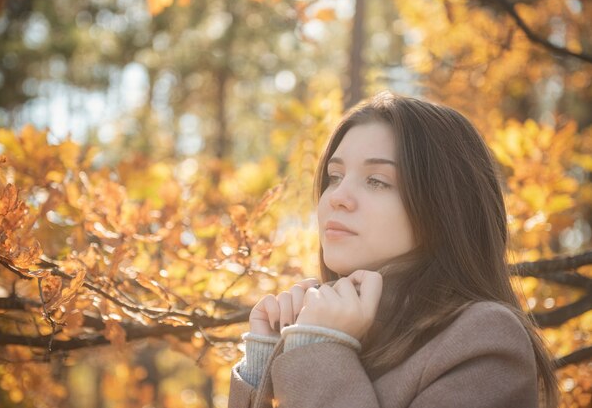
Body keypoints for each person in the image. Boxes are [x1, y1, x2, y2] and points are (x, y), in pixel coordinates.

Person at [228, 91, 559, 408]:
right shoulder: (321, 323)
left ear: (444, 207)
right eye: (334, 176)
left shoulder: (483, 337)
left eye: (376, 181)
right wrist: (264, 365)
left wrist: (318, 347)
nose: (337, 196)